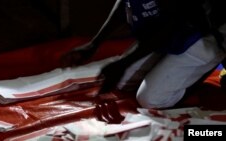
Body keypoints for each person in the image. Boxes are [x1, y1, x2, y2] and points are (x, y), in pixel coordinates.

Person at [60, 0, 226, 109]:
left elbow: (171, 25)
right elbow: (125, 3)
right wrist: (94, 44)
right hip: (174, 28)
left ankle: (207, 67)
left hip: (204, 33)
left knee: (151, 100)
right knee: (124, 84)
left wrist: (124, 63)